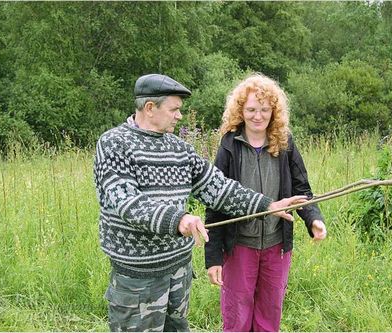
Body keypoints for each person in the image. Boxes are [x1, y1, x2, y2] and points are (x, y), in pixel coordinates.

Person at [93, 73, 308, 332]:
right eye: (174, 109)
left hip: (178, 271)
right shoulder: (114, 143)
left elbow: (218, 187)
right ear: (150, 108)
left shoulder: (179, 149)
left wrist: (266, 205)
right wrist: (179, 219)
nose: (179, 116)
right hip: (138, 278)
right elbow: (126, 201)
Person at [205, 73, 327, 332]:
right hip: (238, 246)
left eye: (264, 109)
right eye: (250, 109)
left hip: (276, 246)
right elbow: (215, 200)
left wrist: (314, 219)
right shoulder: (229, 146)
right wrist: (213, 256)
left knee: (268, 317)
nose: (257, 116)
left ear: (274, 111)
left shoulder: (284, 143)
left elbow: (302, 189)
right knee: (236, 317)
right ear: (241, 111)